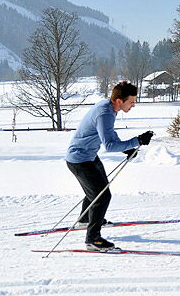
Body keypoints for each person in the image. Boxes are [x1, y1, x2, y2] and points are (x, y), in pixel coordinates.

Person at [65, 81, 154, 251]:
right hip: (79, 159)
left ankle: (84, 221)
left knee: (97, 191)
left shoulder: (108, 108)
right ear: (119, 100)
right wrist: (137, 140)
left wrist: (127, 148)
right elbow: (110, 145)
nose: (133, 105)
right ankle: (93, 240)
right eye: (132, 102)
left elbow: (108, 134)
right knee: (102, 196)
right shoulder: (105, 113)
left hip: (88, 156)